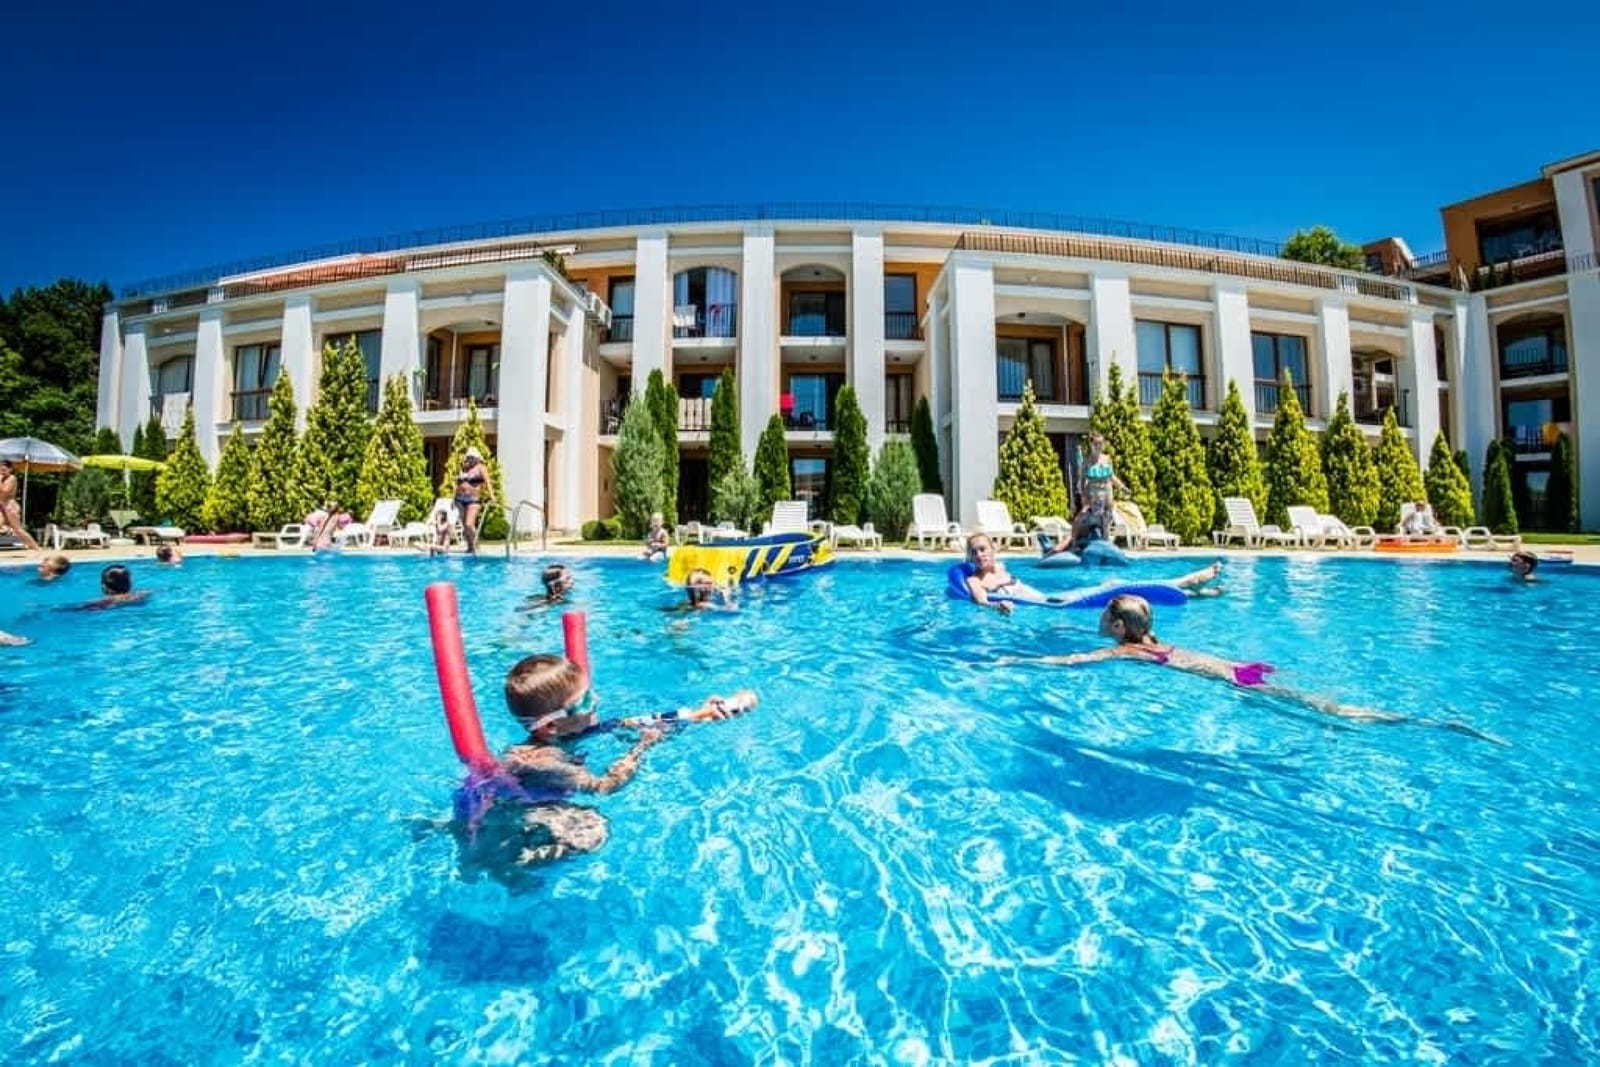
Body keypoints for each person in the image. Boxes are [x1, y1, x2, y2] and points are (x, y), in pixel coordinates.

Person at [1016, 594, 1504, 742]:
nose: (1100, 619)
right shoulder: (1159, 643)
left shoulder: (1129, 652)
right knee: (1311, 699)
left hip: (1233, 680)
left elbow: (1076, 661)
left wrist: (1013, 662)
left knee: (1329, 710)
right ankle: (1422, 720)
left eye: (1106, 615)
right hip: (1240, 669)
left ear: (1121, 627)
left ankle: (1425, 723)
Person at [485, 654, 753, 868]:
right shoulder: (545, 760)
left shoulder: (564, 731)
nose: (597, 700)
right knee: (592, 829)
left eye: (591, 692)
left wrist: (696, 715)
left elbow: (630, 723)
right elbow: (604, 786)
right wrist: (643, 747)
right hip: (509, 816)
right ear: (551, 726)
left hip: (526, 801)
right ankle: (519, 863)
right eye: (585, 701)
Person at [964, 532, 1049, 613]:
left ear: (992, 549)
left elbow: (1013, 581)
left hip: (1024, 591)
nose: (978, 555)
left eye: (982, 549)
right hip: (1017, 606)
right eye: (974, 552)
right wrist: (998, 606)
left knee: (1047, 602)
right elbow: (982, 602)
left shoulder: (1000, 567)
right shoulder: (974, 580)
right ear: (971, 557)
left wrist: (998, 583)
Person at [1077, 434, 1128, 542]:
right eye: (1096, 443)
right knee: (1095, 519)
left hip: (1107, 491)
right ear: (1091, 444)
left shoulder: (1107, 459)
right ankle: (1095, 540)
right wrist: (1084, 496)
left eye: (1100, 443)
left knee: (1107, 518)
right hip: (1094, 492)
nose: (1098, 446)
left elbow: (1112, 476)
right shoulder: (1086, 462)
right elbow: (1082, 481)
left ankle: (1106, 541)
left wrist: (1122, 487)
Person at [454, 447, 495, 555]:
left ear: (477, 458)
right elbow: (457, 484)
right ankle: (470, 547)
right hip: (460, 499)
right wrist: (453, 497)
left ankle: (476, 546)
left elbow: (488, 482)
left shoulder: (481, 468)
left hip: (473, 500)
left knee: (469, 524)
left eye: (472, 457)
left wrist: (492, 496)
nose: (470, 459)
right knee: (464, 525)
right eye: (468, 457)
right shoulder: (464, 468)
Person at [66, 564, 151, 611]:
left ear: (103, 586)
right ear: (129, 584)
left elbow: (76, 609)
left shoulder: (100, 602)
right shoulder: (141, 595)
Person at [0, 460, 41, 552]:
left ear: (10, 469)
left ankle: (35, 547)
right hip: (2, 507)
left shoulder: (12, 478)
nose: (1, 471)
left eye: (4, 469)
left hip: (10, 506)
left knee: (18, 529)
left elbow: (5, 491)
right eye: (0, 469)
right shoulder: (3, 479)